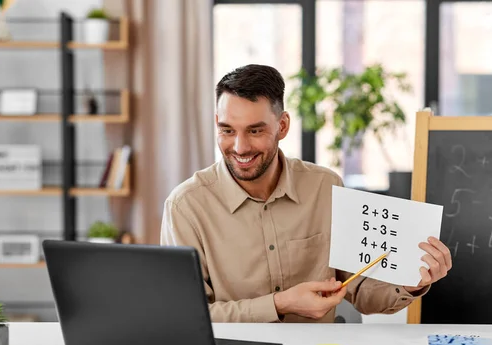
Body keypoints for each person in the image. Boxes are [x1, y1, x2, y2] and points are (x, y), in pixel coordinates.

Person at [160, 64, 452, 323]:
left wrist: (411, 283)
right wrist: (280, 304)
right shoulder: (186, 206)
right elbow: (185, 314)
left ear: (282, 125)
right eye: (227, 131)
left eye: (255, 131)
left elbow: (360, 290)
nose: (239, 147)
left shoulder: (326, 187)